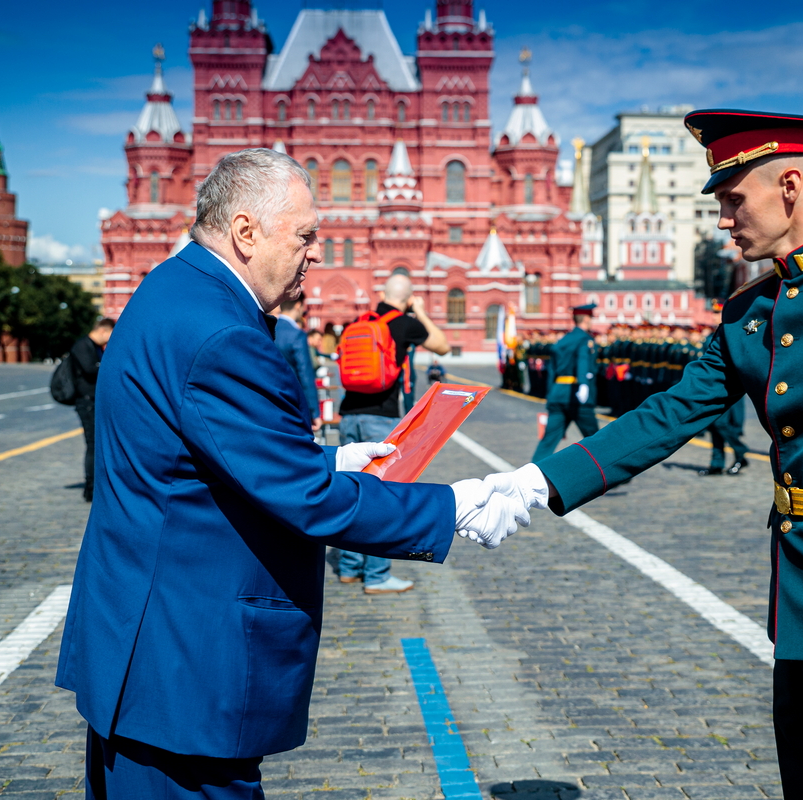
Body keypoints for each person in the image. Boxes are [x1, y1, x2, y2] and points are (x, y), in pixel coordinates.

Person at [488, 110, 803, 799]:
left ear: (789, 184)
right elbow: (671, 413)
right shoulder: (750, 310)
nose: (723, 219)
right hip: (797, 600)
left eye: (733, 199)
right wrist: (537, 483)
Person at [55, 148, 526, 800]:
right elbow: (305, 501)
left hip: (140, 647)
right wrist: (456, 507)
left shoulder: (170, 289)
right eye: (305, 235)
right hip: (184, 663)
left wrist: (328, 459)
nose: (316, 255)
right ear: (246, 233)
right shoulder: (226, 334)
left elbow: (192, 457)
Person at [335, 272, 451, 593]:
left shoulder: (361, 321)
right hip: (380, 418)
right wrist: (421, 311)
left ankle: (349, 567)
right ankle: (377, 575)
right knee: (381, 497)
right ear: (408, 297)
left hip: (348, 415)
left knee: (351, 490)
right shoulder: (403, 324)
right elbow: (442, 345)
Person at [532, 304, 600, 462]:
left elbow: (552, 371)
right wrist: (583, 384)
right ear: (585, 319)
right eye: (590, 318)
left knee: (548, 441)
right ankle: (613, 473)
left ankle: (529, 474)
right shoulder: (585, 340)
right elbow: (582, 359)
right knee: (596, 439)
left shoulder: (562, 341)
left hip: (557, 394)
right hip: (576, 395)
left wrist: (550, 395)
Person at [68, 318, 115, 502]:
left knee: (97, 444)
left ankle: (95, 486)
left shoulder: (94, 347)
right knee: (93, 445)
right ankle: (91, 489)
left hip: (93, 401)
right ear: (103, 330)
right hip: (86, 402)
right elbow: (90, 369)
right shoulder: (83, 345)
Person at [273, 295, 320, 430]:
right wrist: (314, 412)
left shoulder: (268, 328)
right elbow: (305, 375)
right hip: (292, 403)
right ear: (298, 305)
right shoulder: (297, 335)